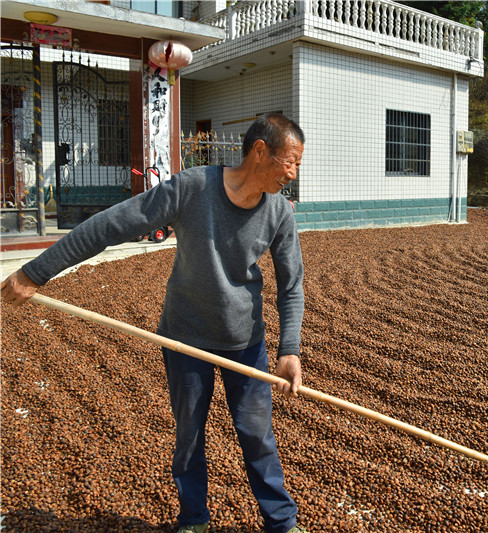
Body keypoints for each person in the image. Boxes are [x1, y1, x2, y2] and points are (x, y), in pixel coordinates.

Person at [1, 114, 310, 533]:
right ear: (259, 152)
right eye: (288, 163)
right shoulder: (192, 189)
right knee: (189, 438)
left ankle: (281, 522)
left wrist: (288, 350)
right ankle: (193, 521)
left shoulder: (278, 211)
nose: (291, 174)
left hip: (245, 341)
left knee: (257, 437)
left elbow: (292, 285)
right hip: (185, 338)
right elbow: (110, 225)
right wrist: (36, 272)